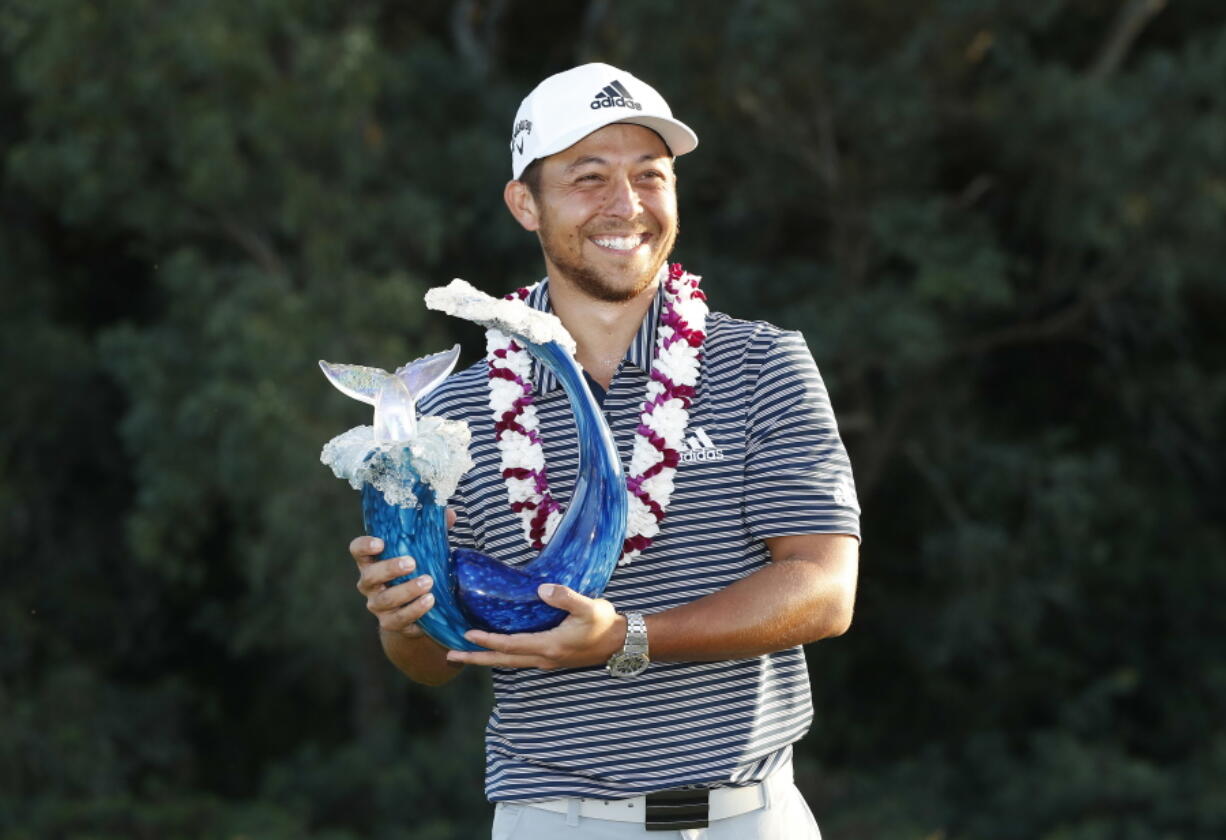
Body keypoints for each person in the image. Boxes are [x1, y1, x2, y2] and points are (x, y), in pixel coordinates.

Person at [348, 62, 860, 840]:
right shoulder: (447, 413)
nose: (627, 205)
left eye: (650, 175)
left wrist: (627, 638)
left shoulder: (763, 364)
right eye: (589, 177)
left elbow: (825, 590)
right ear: (526, 203)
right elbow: (434, 662)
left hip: (752, 818)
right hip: (556, 819)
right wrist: (403, 620)